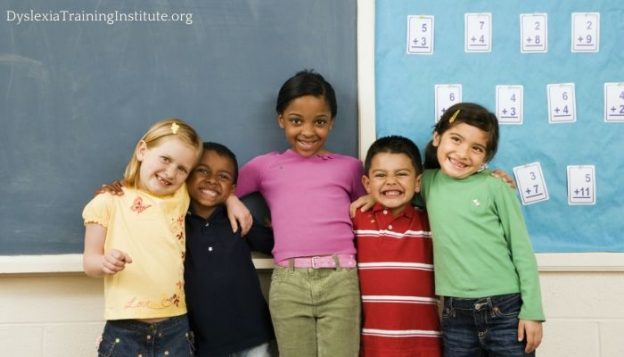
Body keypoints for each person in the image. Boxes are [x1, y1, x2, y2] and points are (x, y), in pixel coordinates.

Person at [230, 70, 366, 357]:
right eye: (295, 121)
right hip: (289, 281)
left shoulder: (350, 167)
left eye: (319, 122)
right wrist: (232, 201)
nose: (307, 131)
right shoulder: (264, 167)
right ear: (281, 119)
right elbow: (219, 190)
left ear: (332, 122)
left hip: (341, 278)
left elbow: (368, 211)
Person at [423, 102, 545, 356]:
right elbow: (394, 189)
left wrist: (532, 312)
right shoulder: (426, 183)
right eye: (455, 139)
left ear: (486, 158)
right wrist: (369, 198)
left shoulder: (496, 187)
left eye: (476, 148)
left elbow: (521, 249)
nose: (463, 153)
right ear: (437, 138)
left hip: (506, 309)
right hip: (455, 313)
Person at [82, 118, 202, 356]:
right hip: (125, 330)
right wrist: (105, 262)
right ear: (142, 150)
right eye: (165, 159)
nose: (170, 173)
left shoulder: (180, 196)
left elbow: (213, 186)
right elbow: (89, 263)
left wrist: (232, 200)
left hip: (175, 326)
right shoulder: (107, 202)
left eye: (182, 169)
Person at [184, 142, 276, 356]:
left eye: (223, 176)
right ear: (187, 174)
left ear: (233, 189)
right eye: (203, 171)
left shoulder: (238, 220)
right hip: (205, 340)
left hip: (252, 333)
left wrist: (278, 227)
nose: (212, 180)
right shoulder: (176, 223)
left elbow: (274, 245)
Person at [355, 135, 442, 357]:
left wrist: (491, 175)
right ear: (367, 183)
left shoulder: (433, 222)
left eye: (401, 174)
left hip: (425, 347)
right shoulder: (356, 220)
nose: (391, 182)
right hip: (371, 347)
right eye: (380, 175)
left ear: (418, 182)